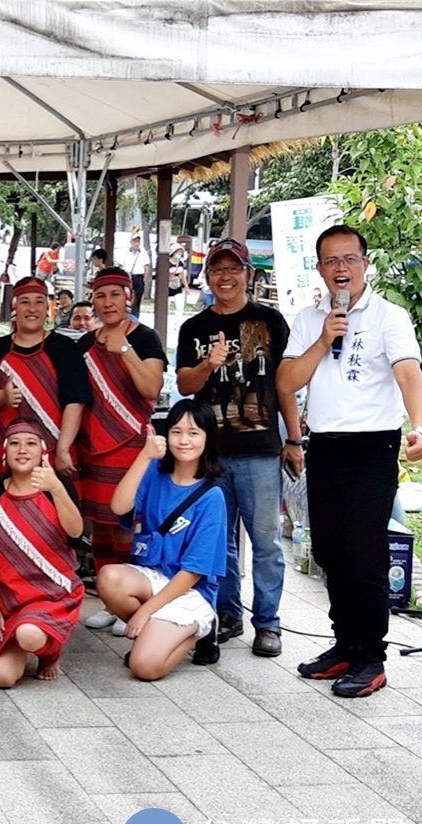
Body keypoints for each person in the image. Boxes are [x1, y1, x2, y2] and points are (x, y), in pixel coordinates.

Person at [278, 224, 422, 698]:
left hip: (372, 447)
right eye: (330, 261)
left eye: (349, 259)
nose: (341, 269)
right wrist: (323, 339)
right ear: (319, 269)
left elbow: (407, 371)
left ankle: (370, 657)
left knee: (364, 557)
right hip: (327, 446)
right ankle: (344, 645)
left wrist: (418, 424)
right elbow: (287, 381)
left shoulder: (389, 316)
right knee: (330, 552)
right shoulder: (309, 318)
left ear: (365, 262)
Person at [176, 238, 302, 657]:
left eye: (235, 269)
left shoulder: (270, 322)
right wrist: (208, 364)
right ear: (207, 276)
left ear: (249, 274)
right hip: (210, 453)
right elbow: (184, 387)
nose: (226, 277)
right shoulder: (192, 328)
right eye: (217, 270)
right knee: (219, 540)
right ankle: (227, 614)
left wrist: (295, 439)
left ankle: (268, 622)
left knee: (265, 541)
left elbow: (285, 385)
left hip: (262, 449)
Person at [97, 399, 227, 680]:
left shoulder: (212, 497)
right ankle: (157, 632)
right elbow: (119, 507)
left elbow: (193, 572)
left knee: (144, 667)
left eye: (194, 433)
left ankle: (200, 630)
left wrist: (145, 612)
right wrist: (144, 456)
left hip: (190, 589)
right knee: (108, 577)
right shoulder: (155, 472)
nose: (183, 441)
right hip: (152, 575)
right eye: (176, 431)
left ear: (207, 439)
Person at [0, 421, 84, 687]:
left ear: (43, 451)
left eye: (31, 443)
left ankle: (50, 651)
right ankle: (27, 638)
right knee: (3, 677)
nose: (22, 449)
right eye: (15, 443)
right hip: (7, 601)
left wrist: (55, 487)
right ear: (4, 452)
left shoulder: (59, 487)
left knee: (29, 634)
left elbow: (75, 534)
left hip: (52, 595)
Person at [77, 267, 167, 577]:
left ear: (128, 297)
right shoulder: (85, 344)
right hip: (93, 444)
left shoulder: (144, 337)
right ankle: (106, 592)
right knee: (100, 525)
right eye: (100, 296)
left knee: (128, 522)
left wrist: (125, 351)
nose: (108, 302)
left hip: (133, 445)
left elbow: (152, 388)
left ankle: (128, 592)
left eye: (115, 294)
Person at [0, 277, 88, 487]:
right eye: (25, 302)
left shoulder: (64, 347)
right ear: (14, 307)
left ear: (47, 308)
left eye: (39, 301)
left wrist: (63, 449)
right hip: (5, 452)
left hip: (54, 449)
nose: (32, 308)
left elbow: (75, 401)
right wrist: (2, 397)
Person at [124, 233, 151, 302]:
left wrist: (144, 280)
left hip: (139, 277)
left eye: (138, 241)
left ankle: (135, 312)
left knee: (137, 298)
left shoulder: (143, 253)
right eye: (135, 241)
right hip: (128, 276)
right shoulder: (125, 252)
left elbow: (147, 267)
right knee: (127, 297)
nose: (136, 243)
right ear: (131, 242)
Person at [168, 247, 189, 316]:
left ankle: (177, 324)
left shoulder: (180, 263)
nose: (179, 254)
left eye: (180, 252)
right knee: (166, 306)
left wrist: (186, 286)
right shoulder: (167, 262)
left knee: (180, 306)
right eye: (178, 252)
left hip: (177, 285)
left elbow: (182, 275)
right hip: (168, 286)